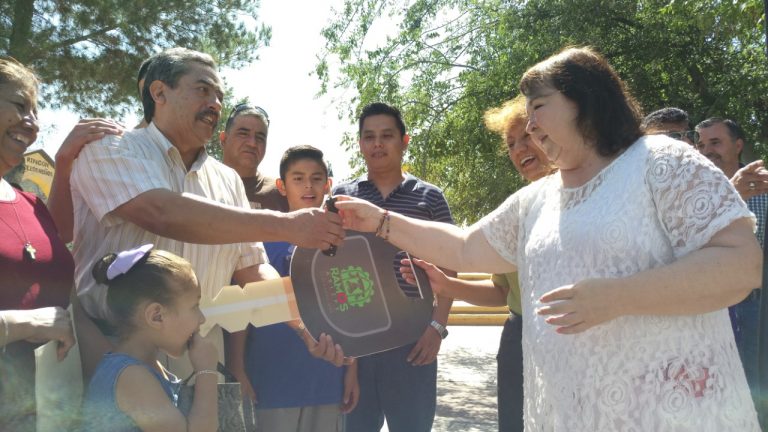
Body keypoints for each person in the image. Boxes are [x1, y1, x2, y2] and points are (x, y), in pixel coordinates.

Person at [335, 47, 762, 430]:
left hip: (673, 413)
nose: (532, 125)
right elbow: (464, 248)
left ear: (585, 99)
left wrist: (618, 297)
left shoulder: (661, 161)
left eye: (539, 107)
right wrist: (379, 221)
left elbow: (741, 265)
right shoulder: (534, 200)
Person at [69, 47, 344, 381]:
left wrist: (307, 327)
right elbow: (162, 213)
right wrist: (288, 226)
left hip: (200, 356)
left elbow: (253, 268)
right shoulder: (110, 150)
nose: (215, 103)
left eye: (219, 95)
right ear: (159, 92)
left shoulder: (227, 179)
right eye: (203, 90)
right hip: (114, 352)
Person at [399, 95, 555, 432]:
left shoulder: (589, 196)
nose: (518, 149)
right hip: (519, 337)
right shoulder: (516, 211)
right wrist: (446, 284)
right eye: (511, 143)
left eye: (526, 136)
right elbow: (502, 292)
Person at [0, 57, 123, 430]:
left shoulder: (32, 204)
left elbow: (68, 310)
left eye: (35, 112)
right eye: (20, 106)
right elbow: (48, 320)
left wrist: (124, 371)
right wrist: (26, 323)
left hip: (49, 408)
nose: (32, 123)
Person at [333, 102, 454, 432]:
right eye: (369, 137)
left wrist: (437, 327)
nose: (377, 144)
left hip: (414, 340)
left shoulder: (430, 198)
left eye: (387, 135)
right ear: (360, 144)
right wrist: (347, 347)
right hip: (358, 341)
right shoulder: (342, 197)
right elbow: (331, 268)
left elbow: (450, 269)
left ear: (405, 141)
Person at [235, 145, 358, 431]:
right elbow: (243, 309)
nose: (308, 186)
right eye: (298, 178)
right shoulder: (261, 240)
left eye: (316, 178)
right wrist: (238, 368)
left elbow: (354, 312)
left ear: (328, 184)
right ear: (281, 186)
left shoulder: (346, 243)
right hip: (272, 378)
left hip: (328, 378)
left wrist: (352, 370)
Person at [80, 245, 218, 431]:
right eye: (194, 306)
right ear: (156, 316)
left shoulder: (147, 368)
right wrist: (207, 372)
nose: (202, 318)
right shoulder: (131, 377)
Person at [695, 117, 768, 410]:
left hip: (755, 303)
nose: (706, 151)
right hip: (708, 303)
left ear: (738, 146)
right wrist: (730, 193)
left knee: (754, 380)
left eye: (715, 142)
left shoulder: (764, 184)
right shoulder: (694, 190)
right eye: (701, 144)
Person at [220, 103, 288, 211]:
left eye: (260, 138)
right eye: (243, 134)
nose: (252, 143)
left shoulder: (281, 193)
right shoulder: (200, 182)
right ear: (224, 139)